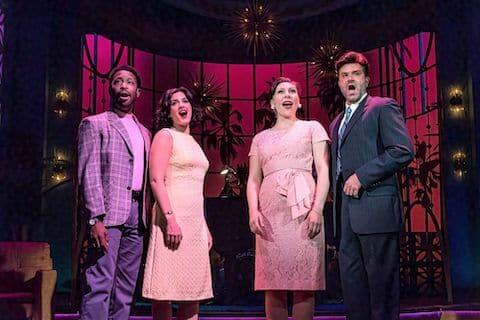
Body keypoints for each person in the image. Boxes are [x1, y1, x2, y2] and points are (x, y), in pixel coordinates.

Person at [330, 51, 414, 320]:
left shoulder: (381, 107)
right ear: (339, 82)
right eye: (344, 75)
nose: (350, 79)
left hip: (376, 210)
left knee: (381, 289)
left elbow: (402, 150)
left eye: (356, 74)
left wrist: (362, 176)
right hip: (346, 216)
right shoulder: (336, 123)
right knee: (353, 288)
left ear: (366, 80)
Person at [247, 77, 330, 320]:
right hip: (271, 216)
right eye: (281, 91)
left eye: (292, 91)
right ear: (272, 103)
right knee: (273, 284)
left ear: (299, 101)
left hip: (304, 211)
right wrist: (254, 211)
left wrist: (317, 209)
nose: (287, 95)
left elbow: (323, 171)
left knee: (304, 284)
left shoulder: (312, 128)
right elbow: (253, 179)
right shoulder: (260, 139)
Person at [78, 65, 151, 319]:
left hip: (137, 215)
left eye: (129, 82)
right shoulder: (94, 124)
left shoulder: (145, 133)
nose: (123, 86)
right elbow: (89, 173)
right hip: (108, 213)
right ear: (110, 88)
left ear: (138, 92)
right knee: (100, 282)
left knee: (126, 288)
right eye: (118, 81)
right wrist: (95, 217)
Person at [142, 87, 213, 320]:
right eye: (174, 102)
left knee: (192, 291)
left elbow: (197, 190)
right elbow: (156, 179)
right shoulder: (165, 135)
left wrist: (204, 226)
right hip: (171, 219)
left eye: (185, 101)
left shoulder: (192, 141)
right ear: (168, 111)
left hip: (194, 224)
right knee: (165, 290)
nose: (182, 105)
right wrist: (171, 219)